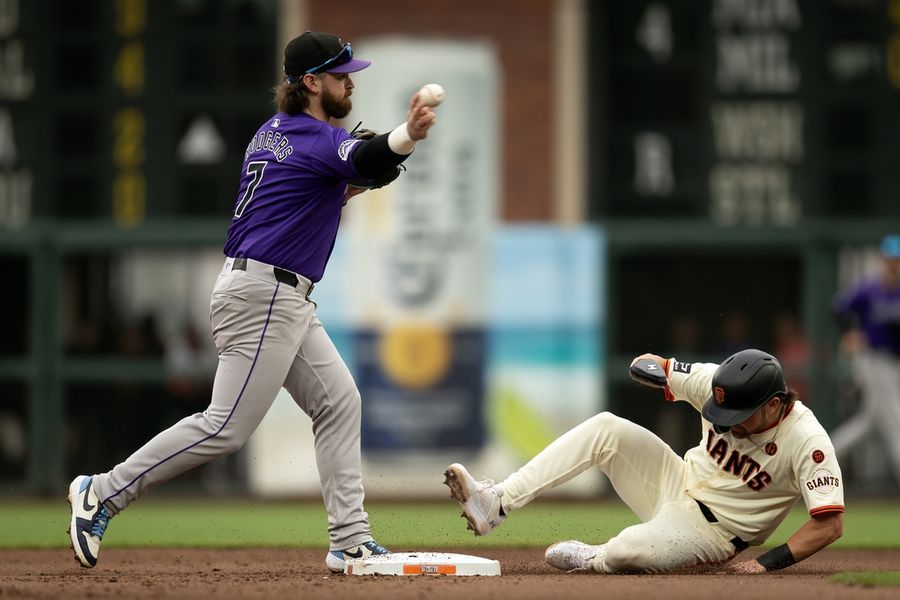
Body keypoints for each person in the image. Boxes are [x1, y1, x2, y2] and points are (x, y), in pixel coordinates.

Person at [68, 30, 437, 571]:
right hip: (266, 294)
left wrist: (376, 162)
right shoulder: (313, 139)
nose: (348, 82)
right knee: (225, 426)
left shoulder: (272, 134)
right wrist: (406, 135)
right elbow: (367, 159)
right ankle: (103, 491)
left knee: (339, 402)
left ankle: (350, 538)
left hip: (274, 293)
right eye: (339, 75)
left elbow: (345, 177)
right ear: (311, 82)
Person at [444, 349, 844, 574]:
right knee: (606, 427)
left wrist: (765, 564)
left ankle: (595, 557)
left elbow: (829, 524)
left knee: (624, 552)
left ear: (774, 405)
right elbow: (650, 364)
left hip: (714, 532)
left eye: (739, 418)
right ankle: (495, 503)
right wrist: (653, 371)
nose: (729, 426)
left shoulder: (807, 441)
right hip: (675, 479)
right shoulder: (715, 383)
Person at [831, 234, 900, 483]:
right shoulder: (871, 290)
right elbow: (839, 307)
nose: (894, 263)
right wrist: (848, 333)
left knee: (870, 422)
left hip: (894, 363)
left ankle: (822, 455)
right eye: (891, 258)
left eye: (898, 259)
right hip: (873, 360)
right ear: (883, 259)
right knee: (895, 418)